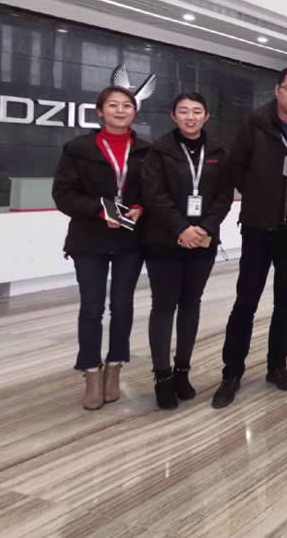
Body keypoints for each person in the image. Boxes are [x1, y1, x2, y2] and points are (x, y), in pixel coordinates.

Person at [211, 66, 287, 409]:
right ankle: (232, 372)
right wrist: (259, 195)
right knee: (245, 301)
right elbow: (235, 168)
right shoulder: (255, 124)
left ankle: (277, 366)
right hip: (258, 227)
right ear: (277, 90)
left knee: (286, 302)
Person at [52, 85, 150, 410]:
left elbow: (154, 191)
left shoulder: (146, 151)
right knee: (92, 307)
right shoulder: (79, 148)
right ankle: (91, 371)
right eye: (113, 105)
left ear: (135, 111)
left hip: (131, 240)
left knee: (122, 305)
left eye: (127, 105)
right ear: (100, 111)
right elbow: (63, 195)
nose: (120, 111)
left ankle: (115, 366)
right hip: (89, 238)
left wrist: (140, 208)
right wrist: (101, 210)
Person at [140, 92, 234, 409]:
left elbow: (223, 196)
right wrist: (181, 228)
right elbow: (154, 195)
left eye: (196, 111)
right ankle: (162, 376)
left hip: (203, 242)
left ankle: (182, 370)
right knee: (164, 306)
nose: (190, 117)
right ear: (173, 116)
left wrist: (204, 229)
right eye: (183, 111)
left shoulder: (219, 152)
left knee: (191, 303)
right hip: (164, 241)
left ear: (206, 116)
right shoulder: (158, 151)